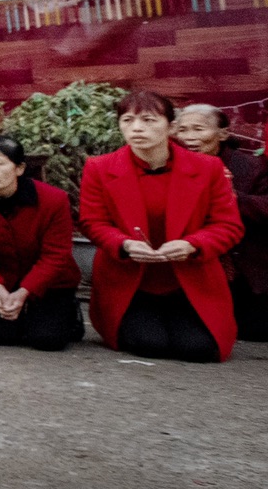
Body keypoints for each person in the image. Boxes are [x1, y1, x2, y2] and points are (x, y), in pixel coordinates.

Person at [78, 91, 242, 363]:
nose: (137, 128)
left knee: (198, 350)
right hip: (130, 279)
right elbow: (93, 222)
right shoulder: (100, 168)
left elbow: (228, 225)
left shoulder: (208, 168)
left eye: (149, 120)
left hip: (189, 277)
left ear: (171, 126)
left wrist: (193, 244)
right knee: (149, 345)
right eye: (127, 120)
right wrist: (124, 244)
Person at [0, 134, 82, 351]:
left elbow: (55, 254)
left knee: (47, 340)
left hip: (49, 281)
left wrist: (24, 292)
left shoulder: (53, 200)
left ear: (19, 168)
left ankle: (68, 312)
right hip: (2, 279)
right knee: (0, 335)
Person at [173, 104, 268, 342]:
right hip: (190, 265)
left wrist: (228, 199)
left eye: (198, 129)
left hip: (244, 269)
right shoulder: (171, 164)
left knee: (252, 332)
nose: (189, 137)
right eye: (182, 129)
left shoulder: (251, 167)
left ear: (223, 133)